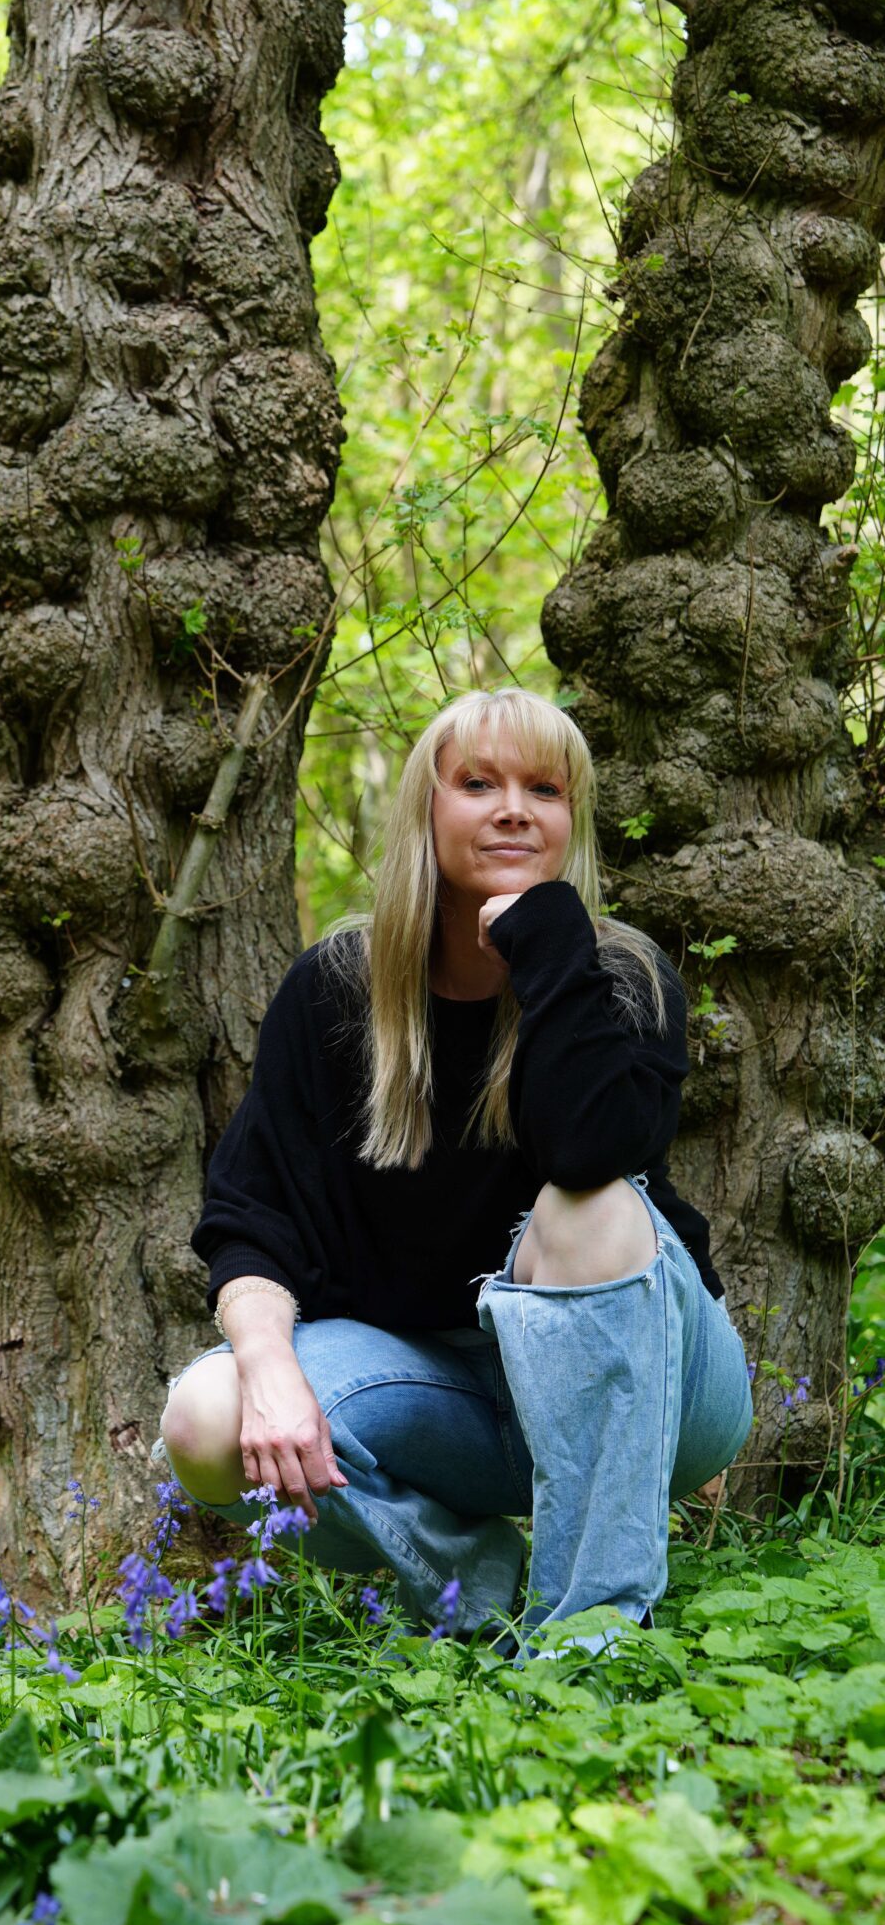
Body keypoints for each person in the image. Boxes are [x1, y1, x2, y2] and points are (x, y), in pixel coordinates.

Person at [159, 686, 754, 1652]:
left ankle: (588, 1635)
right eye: (478, 782)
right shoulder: (332, 992)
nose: (514, 807)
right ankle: (466, 1588)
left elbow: (591, 1153)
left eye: (544, 790)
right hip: (444, 1397)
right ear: (425, 810)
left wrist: (549, 940)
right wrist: (266, 1366)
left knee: (586, 1207)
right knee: (207, 1416)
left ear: (571, 820)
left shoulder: (624, 979)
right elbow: (250, 1216)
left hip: (659, 1390)